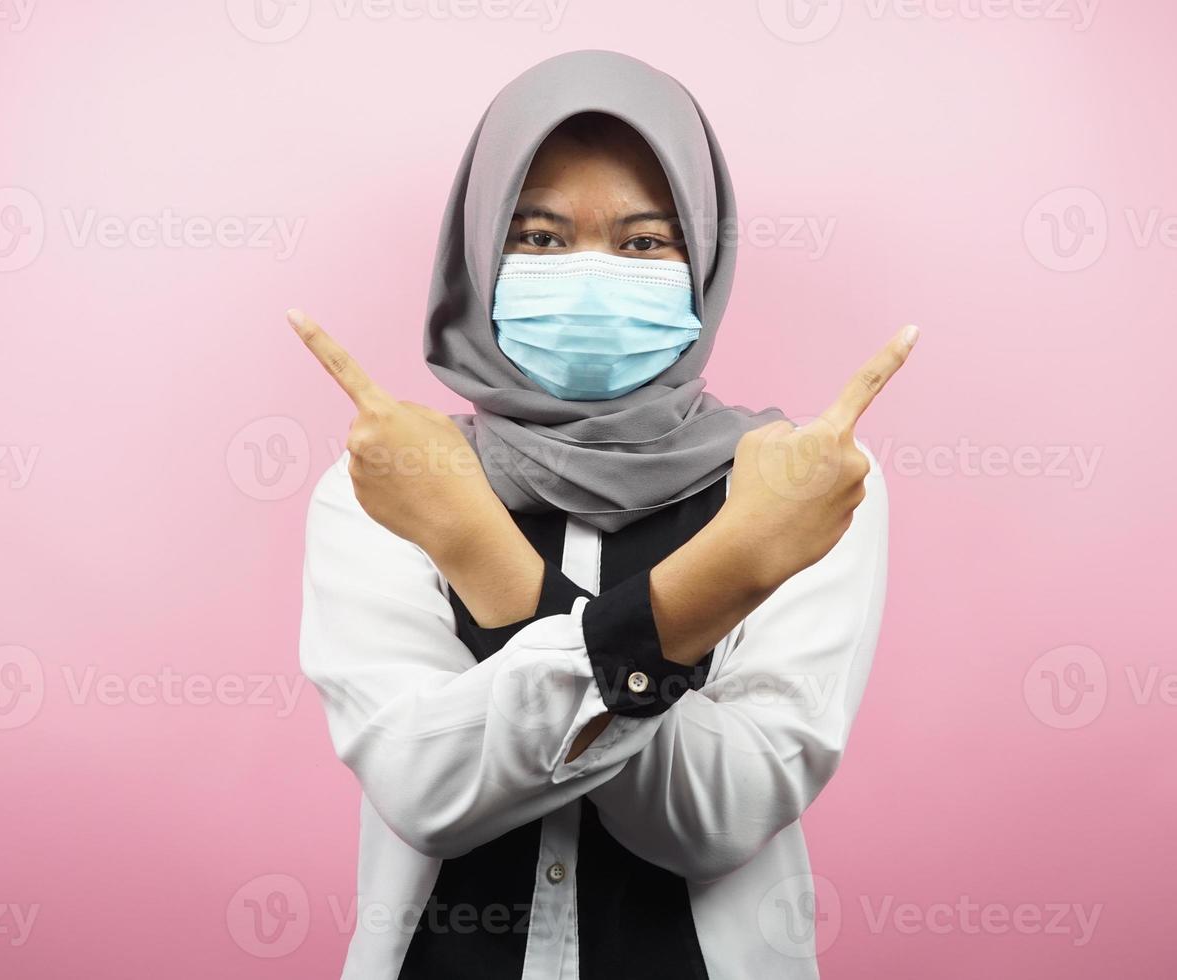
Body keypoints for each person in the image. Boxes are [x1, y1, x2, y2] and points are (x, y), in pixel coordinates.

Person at [290, 49, 916, 980]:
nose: (589, 277)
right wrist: (717, 581)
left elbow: (724, 814)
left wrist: (485, 562)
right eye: (538, 239)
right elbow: (423, 789)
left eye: (643, 243)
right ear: (477, 255)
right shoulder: (392, 481)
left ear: (702, 261)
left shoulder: (805, 488)